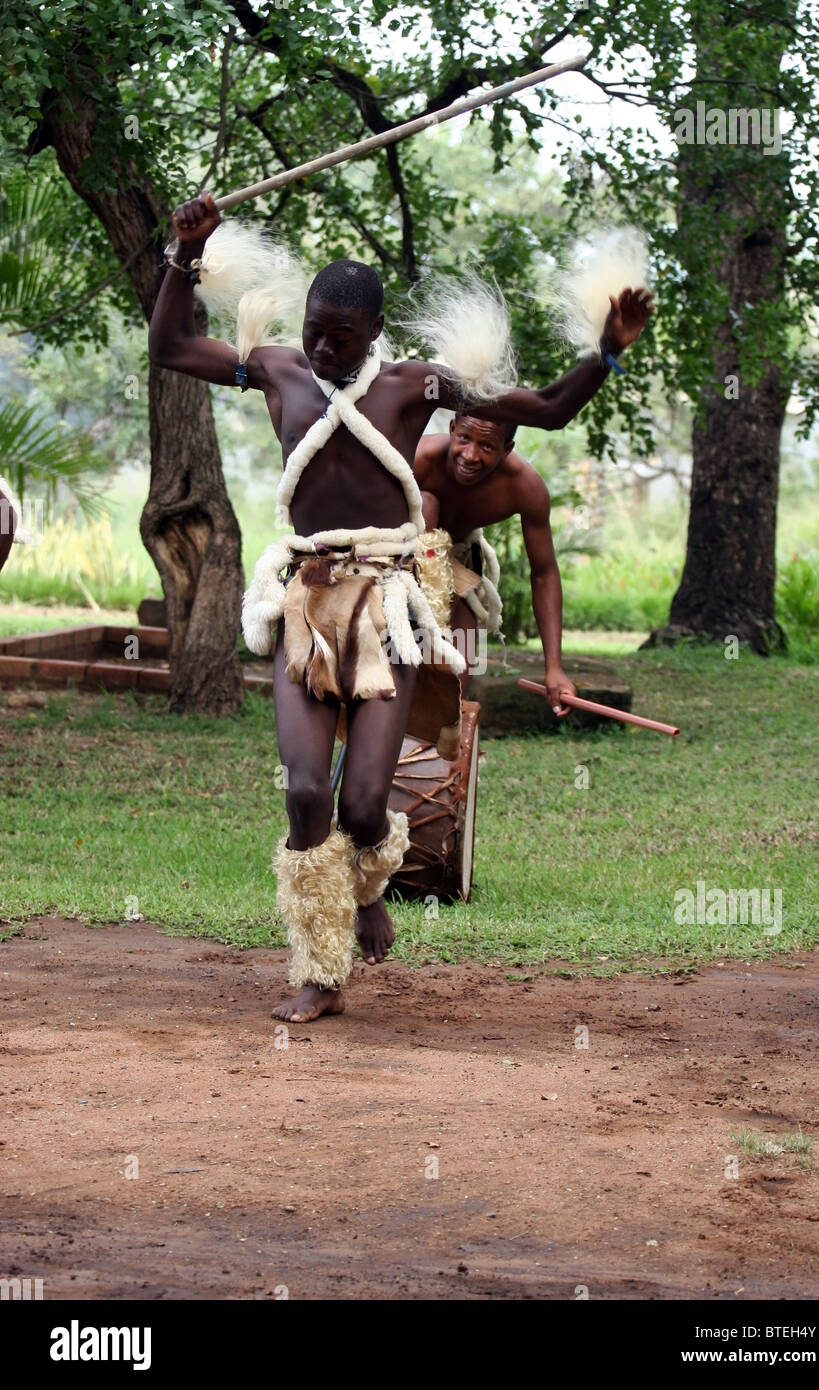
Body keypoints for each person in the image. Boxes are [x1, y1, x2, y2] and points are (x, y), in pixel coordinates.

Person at [148, 191, 652, 1023]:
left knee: (360, 803)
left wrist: (606, 351)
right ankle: (321, 968)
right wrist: (183, 255)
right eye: (313, 327)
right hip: (308, 601)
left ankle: (371, 888)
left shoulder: (417, 386)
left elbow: (546, 410)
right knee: (307, 791)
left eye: (339, 335)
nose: (320, 345)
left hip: (389, 604)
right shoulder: (274, 369)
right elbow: (170, 345)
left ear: (373, 332)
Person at [414, 411, 586, 714]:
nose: (470, 455)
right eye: (464, 438)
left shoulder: (524, 486)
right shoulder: (419, 457)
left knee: (455, 681)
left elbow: (544, 574)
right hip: (395, 560)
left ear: (507, 449)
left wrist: (554, 668)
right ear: (452, 429)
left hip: (456, 567)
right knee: (427, 503)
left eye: (487, 446)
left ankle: (436, 747)